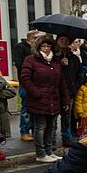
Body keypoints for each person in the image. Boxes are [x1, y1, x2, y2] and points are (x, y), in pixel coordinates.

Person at [21, 35, 69, 163]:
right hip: (38, 99)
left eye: (49, 46)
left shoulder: (55, 62)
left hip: (54, 99)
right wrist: (36, 93)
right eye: (44, 46)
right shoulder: (30, 60)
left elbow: (61, 83)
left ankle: (49, 151)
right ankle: (40, 153)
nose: (47, 48)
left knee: (51, 127)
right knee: (40, 127)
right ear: (38, 47)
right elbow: (25, 78)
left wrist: (65, 100)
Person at [13, 29, 41, 142]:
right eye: (38, 38)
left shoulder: (38, 49)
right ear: (32, 39)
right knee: (26, 107)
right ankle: (24, 131)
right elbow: (20, 64)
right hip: (26, 82)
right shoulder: (20, 47)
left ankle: (34, 131)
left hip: (38, 82)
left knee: (36, 107)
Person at [56, 34, 82, 147]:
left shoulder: (74, 58)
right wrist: (60, 63)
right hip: (55, 91)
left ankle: (66, 137)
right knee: (52, 117)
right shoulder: (53, 57)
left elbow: (79, 75)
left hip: (69, 91)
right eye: (61, 40)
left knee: (67, 116)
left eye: (66, 40)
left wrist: (74, 87)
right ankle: (50, 140)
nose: (64, 42)